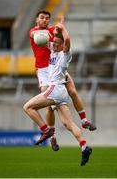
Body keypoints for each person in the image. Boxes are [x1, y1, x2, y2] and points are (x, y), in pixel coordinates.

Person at [24, 21, 92, 166]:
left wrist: (63, 28)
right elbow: (43, 41)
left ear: (62, 45)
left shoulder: (64, 54)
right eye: (53, 42)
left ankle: (46, 130)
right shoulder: (54, 50)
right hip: (61, 92)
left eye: (56, 42)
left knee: (28, 107)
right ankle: (84, 146)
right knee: (69, 124)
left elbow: (67, 40)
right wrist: (46, 32)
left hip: (55, 89)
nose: (52, 44)